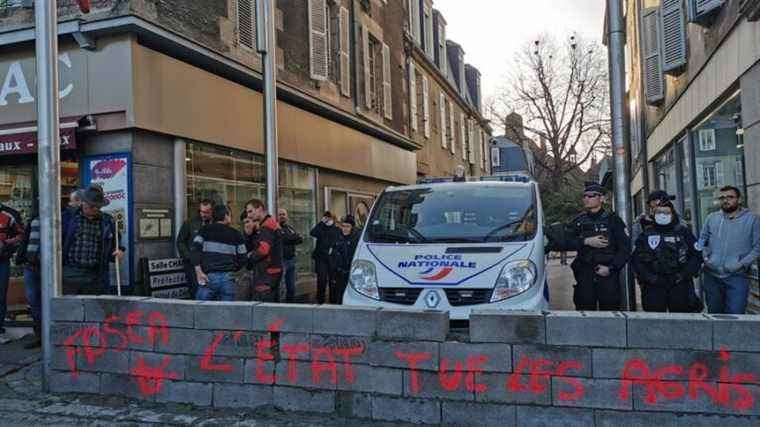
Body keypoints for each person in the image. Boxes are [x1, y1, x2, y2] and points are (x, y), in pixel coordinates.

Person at [566, 183, 631, 311]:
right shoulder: (578, 221)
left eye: (591, 196)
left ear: (601, 199)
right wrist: (585, 241)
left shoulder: (613, 220)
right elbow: (564, 242)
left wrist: (611, 268)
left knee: (609, 312)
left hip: (607, 274)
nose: (586, 198)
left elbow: (625, 249)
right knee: (585, 311)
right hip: (585, 273)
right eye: (584, 196)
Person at [632, 201, 702, 312]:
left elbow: (696, 256)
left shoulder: (684, 232)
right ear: (653, 215)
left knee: (682, 320)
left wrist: (682, 275)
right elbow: (636, 260)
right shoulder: (645, 234)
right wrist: (651, 278)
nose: (662, 215)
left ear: (673, 214)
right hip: (654, 286)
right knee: (654, 321)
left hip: (679, 284)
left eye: (666, 212)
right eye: (659, 212)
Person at [699, 186, 760, 314]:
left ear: (739, 199)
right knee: (715, 316)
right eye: (722, 198)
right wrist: (705, 258)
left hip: (737, 276)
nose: (725, 200)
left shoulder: (752, 219)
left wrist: (741, 264)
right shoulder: (711, 218)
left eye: (730, 197)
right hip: (712, 276)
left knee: (736, 316)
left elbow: (757, 247)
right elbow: (702, 240)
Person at [61, 184, 125, 295]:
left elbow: (116, 244)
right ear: (83, 202)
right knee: (70, 310)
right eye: (91, 206)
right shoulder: (67, 217)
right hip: (69, 274)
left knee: (93, 310)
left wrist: (119, 251)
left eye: (98, 206)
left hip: (95, 276)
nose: (94, 209)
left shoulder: (108, 221)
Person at [191, 205, 247, 301]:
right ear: (226, 216)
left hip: (207, 277)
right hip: (228, 278)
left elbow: (194, 250)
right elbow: (243, 258)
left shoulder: (204, 230)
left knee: (200, 312)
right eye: (230, 215)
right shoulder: (236, 234)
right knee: (227, 312)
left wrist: (199, 271)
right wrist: (233, 268)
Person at [244, 199, 284, 302]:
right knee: (271, 307)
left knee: (263, 308)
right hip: (271, 272)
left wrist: (249, 258)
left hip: (266, 274)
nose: (248, 215)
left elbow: (263, 250)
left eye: (250, 211)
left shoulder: (267, 226)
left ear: (260, 209)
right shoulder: (270, 223)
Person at [177, 199, 214, 298]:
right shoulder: (190, 222)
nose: (203, 214)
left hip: (211, 264)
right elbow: (180, 242)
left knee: (211, 292)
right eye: (201, 211)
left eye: (206, 212)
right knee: (195, 291)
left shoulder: (216, 223)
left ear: (212, 211)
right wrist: (189, 256)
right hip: (193, 265)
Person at [16, 206, 41, 348]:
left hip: (45, 266)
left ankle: (45, 336)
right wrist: (23, 257)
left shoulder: (58, 218)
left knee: (42, 301)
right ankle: (39, 336)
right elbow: (26, 238)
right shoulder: (34, 218)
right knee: (33, 301)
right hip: (30, 265)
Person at [0, 200, 24, 344]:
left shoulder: (10, 214)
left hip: (2, 261)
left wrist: (4, 244)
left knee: (0, 297)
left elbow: (22, 236)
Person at [328, 215, 361, 304]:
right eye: (343, 226)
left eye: (347, 226)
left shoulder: (356, 239)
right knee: (337, 297)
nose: (345, 229)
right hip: (338, 274)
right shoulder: (337, 237)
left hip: (351, 273)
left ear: (352, 227)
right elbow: (332, 256)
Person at [310, 211, 341, 304]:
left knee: (332, 280)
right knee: (322, 279)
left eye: (329, 217)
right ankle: (320, 300)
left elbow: (339, 242)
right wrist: (321, 222)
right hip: (321, 258)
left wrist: (334, 251)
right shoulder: (321, 228)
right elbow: (313, 232)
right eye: (326, 217)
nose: (328, 219)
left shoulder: (336, 229)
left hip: (332, 258)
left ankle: (333, 300)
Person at [278, 208, 303, 303]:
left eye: (284, 214)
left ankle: (290, 306)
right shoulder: (276, 228)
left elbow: (300, 239)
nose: (282, 216)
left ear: (287, 216)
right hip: (281, 261)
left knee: (291, 287)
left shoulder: (290, 228)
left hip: (291, 260)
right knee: (281, 288)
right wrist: (292, 238)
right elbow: (284, 237)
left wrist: (290, 238)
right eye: (280, 214)